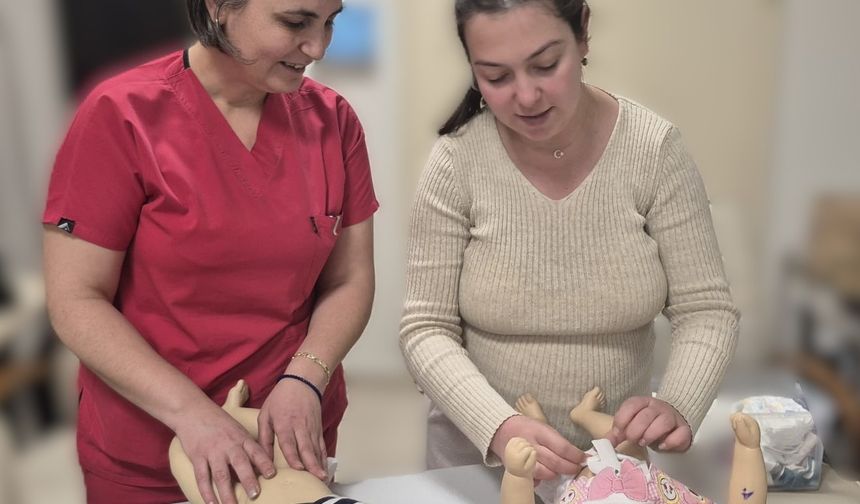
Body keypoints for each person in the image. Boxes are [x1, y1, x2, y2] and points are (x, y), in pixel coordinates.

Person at [42, 0, 378, 502]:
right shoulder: (121, 115)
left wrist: (306, 379)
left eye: (330, 22)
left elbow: (349, 279)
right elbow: (76, 299)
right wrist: (193, 415)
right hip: (152, 445)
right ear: (219, 7)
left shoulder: (332, 120)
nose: (318, 47)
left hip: (284, 436)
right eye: (295, 22)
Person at [399, 0, 740, 484]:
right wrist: (497, 426)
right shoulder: (457, 163)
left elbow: (705, 308)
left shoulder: (653, 151)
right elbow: (424, 328)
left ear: (583, 35)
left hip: (613, 465)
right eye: (496, 77)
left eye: (545, 65)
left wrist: (679, 403)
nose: (527, 96)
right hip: (477, 460)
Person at [501, 389, 767, 504]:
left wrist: (517, 475)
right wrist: (748, 450)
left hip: (569, 483)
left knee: (545, 455)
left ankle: (540, 420)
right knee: (629, 442)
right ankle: (584, 415)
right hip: (632, 470)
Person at [170, 380, 367, 504]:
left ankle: (230, 412)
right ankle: (230, 413)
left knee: (180, 449)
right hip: (303, 475)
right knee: (283, 435)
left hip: (249, 496)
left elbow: (181, 448)